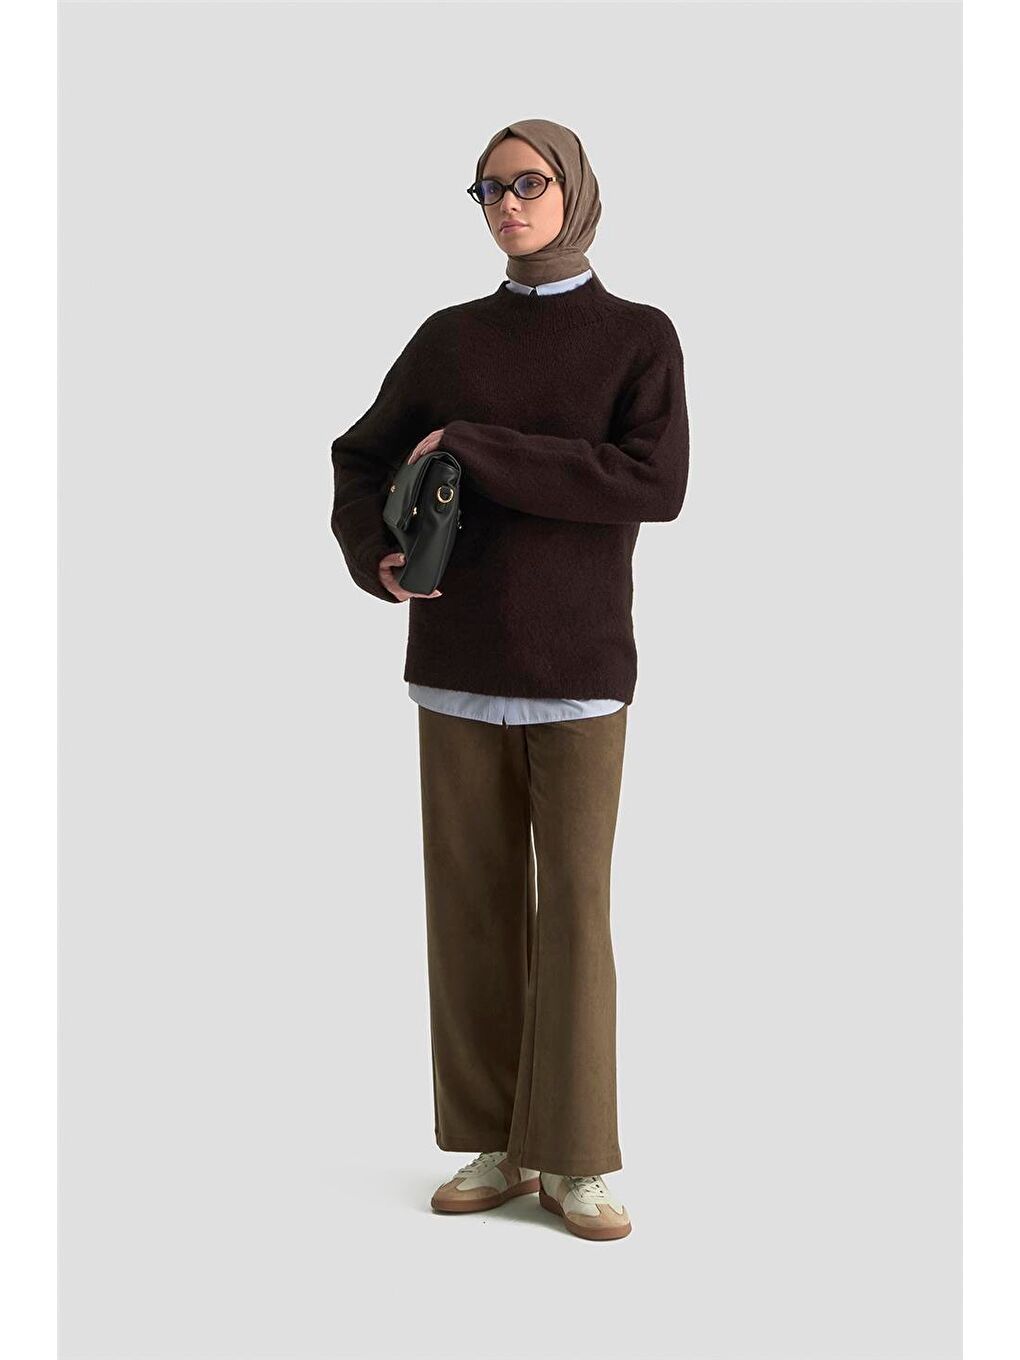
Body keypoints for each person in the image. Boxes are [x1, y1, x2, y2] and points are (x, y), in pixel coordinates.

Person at [330, 118, 690, 1242]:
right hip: (455, 671)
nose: (508, 204)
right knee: (472, 915)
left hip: (579, 673)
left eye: (528, 182)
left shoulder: (638, 337)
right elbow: (359, 456)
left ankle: (575, 1156)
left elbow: (654, 484)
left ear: (575, 188)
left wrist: (480, 447)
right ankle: (494, 1139)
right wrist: (375, 556)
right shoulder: (448, 337)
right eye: (487, 189)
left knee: (575, 914)